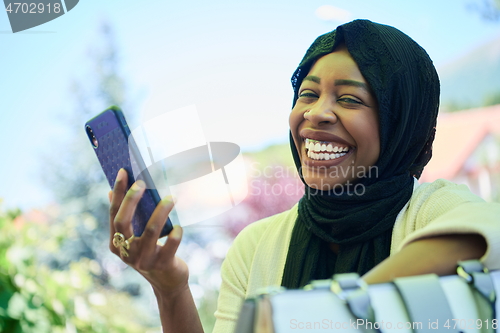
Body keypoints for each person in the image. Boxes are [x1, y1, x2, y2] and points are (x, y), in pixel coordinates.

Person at [107, 19, 500, 333]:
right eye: (308, 94)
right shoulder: (257, 246)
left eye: (349, 99)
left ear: (400, 125)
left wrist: (317, 317)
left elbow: (487, 234)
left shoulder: (431, 211)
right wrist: (170, 287)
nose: (315, 114)